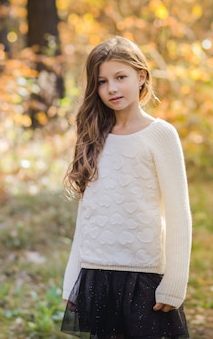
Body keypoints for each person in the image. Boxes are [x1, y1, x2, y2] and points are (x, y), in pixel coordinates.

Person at [61, 36, 192, 339]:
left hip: (143, 274)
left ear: (141, 76)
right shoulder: (94, 136)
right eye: (103, 81)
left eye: (121, 77)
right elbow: (88, 215)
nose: (113, 89)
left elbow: (178, 214)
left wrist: (175, 282)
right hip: (97, 274)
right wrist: (72, 280)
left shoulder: (160, 135)